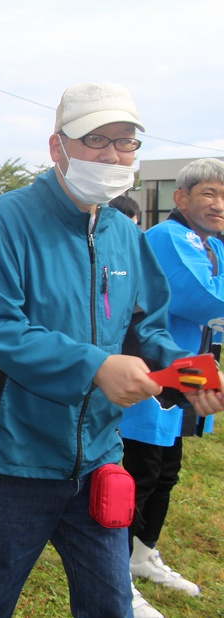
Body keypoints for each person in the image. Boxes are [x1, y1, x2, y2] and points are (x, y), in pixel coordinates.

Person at [0, 82, 224, 618]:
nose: (114, 155)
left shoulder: (126, 232)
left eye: (127, 142)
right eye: (97, 139)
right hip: (12, 459)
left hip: (99, 458)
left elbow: (147, 328)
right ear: (58, 147)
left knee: (110, 603)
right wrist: (95, 367)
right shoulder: (5, 219)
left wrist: (191, 377)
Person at [118, 158, 224, 616]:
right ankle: (116, 568)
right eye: (209, 193)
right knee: (139, 470)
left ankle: (143, 553)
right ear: (181, 198)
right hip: (155, 370)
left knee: (167, 469)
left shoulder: (211, 243)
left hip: (192, 372)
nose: (219, 204)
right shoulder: (168, 238)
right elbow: (204, 299)